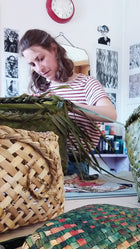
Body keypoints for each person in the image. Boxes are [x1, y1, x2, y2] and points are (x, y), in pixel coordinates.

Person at [18, 29, 117, 180]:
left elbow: (110, 114)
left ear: (54, 49)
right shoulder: (40, 91)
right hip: (41, 162)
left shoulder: (86, 83)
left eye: (41, 58)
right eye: (32, 64)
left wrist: (70, 105)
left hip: (75, 162)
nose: (39, 68)